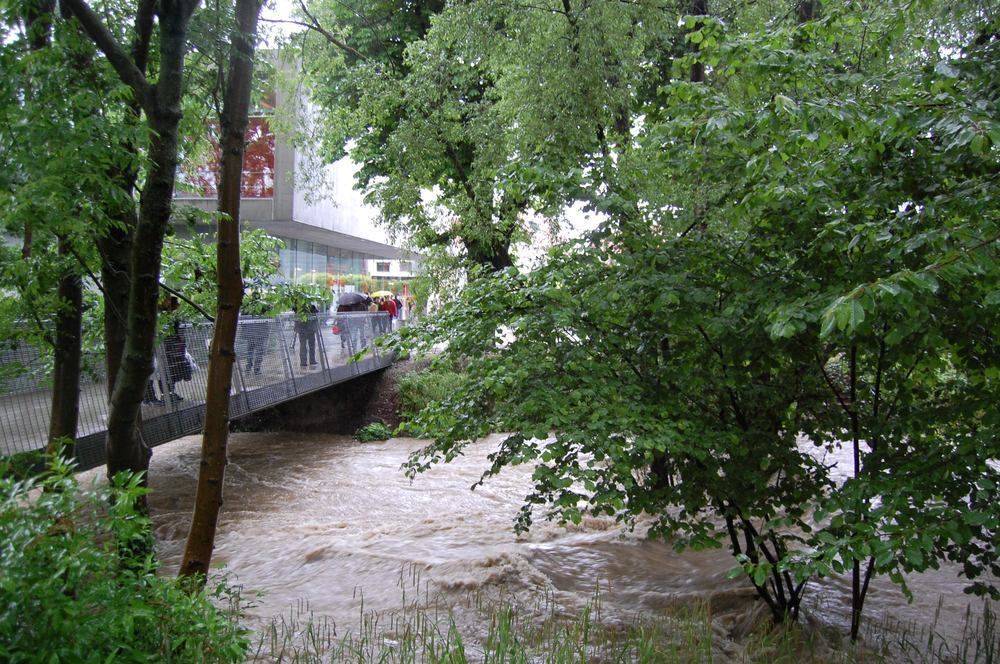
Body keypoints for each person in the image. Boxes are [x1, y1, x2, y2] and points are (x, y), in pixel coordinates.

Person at [294, 302, 320, 368]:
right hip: (309, 329)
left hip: (303, 330)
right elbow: (316, 314)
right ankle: (311, 360)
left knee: (303, 346)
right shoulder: (311, 306)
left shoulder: (298, 307)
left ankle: (304, 362)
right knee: (310, 346)